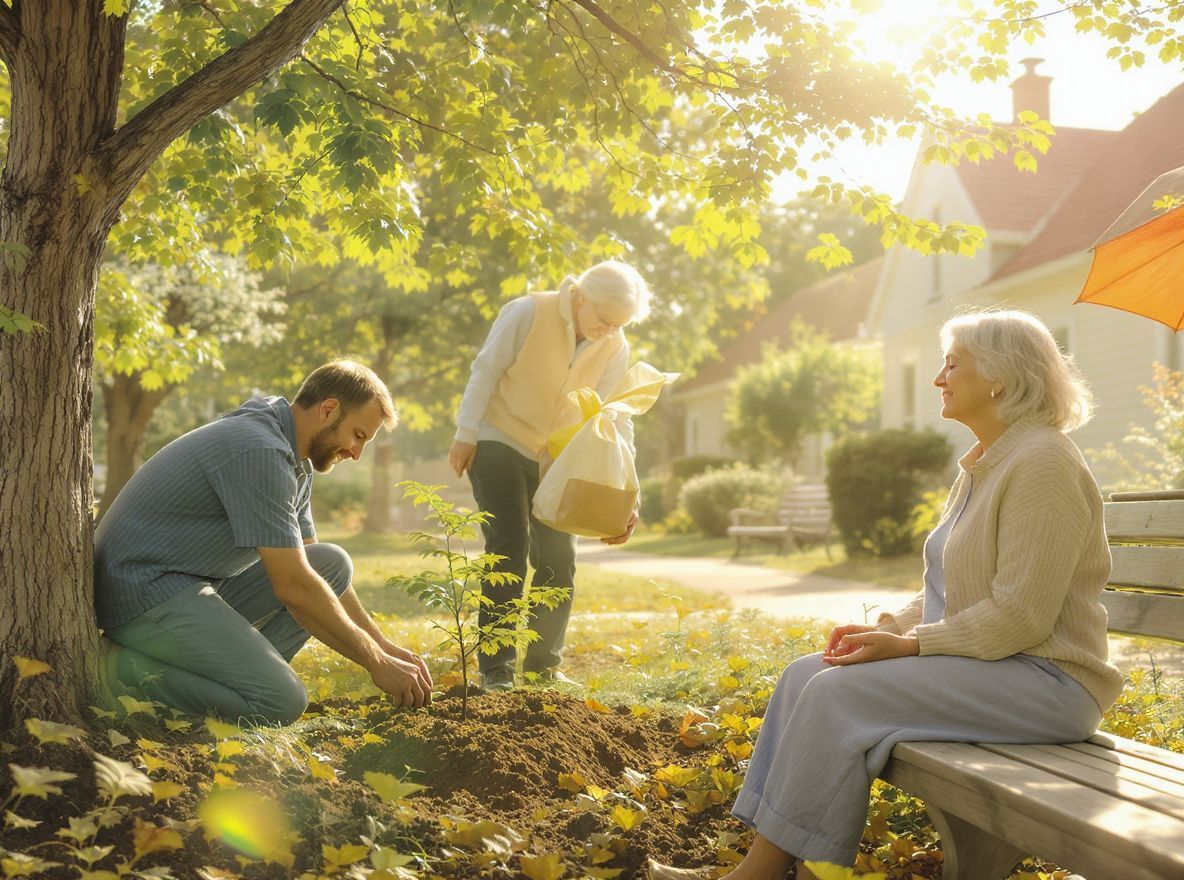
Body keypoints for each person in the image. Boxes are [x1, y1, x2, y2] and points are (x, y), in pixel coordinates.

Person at [647, 309, 1124, 880]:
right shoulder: (986, 463)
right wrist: (895, 626)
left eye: (953, 364)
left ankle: (760, 877)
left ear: (998, 376)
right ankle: (766, 865)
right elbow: (952, 588)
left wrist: (910, 647)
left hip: (1048, 682)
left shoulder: (1043, 461)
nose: (937, 378)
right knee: (808, 674)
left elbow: (1020, 616)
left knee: (837, 696)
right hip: (996, 670)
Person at [95, 359, 433, 724]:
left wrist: (384, 648)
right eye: (358, 435)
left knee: (331, 563)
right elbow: (293, 587)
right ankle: (122, 672)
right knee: (280, 702)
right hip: (142, 592)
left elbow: (312, 573)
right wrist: (375, 662)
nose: (356, 453)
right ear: (329, 409)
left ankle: (241, 678)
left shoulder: (293, 455)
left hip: (190, 585)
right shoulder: (260, 451)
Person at [448, 260, 650, 691]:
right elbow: (485, 371)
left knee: (559, 557)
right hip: (498, 438)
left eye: (619, 325)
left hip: (556, 458)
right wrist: (466, 434)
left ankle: (542, 667)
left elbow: (617, 417)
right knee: (509, 548)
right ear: (580, 296)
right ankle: (496, 668)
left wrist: (629, 490)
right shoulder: (527, 312)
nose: (608, 331)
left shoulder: (615, 346)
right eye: (604, 319)